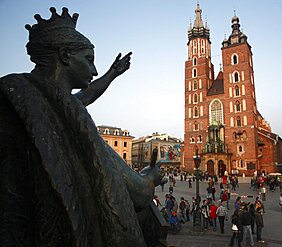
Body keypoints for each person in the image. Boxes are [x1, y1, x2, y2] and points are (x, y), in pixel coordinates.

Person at [0, 7, 163, 246]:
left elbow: (88, 94)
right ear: (65, 55)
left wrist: (112, 74)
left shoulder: (28, 97)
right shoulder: (74, 123)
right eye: (88, 60)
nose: (94, 70)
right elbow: (140, 193)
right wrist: (152, 175)